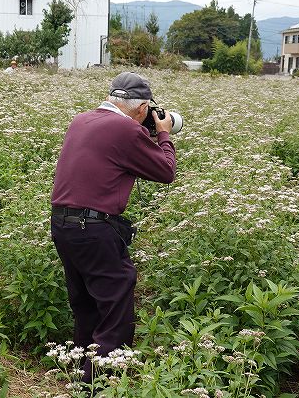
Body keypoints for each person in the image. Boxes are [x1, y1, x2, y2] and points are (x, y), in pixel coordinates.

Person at [50, 72, 176, 383]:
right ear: (143, 107)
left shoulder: (81, 120)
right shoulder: (125, 128)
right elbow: (166, 171)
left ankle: (83, 378)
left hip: (62, 225)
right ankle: (104, 383)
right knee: (115, 307)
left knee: (86, 305)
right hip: (93, 229)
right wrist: (163, 134)